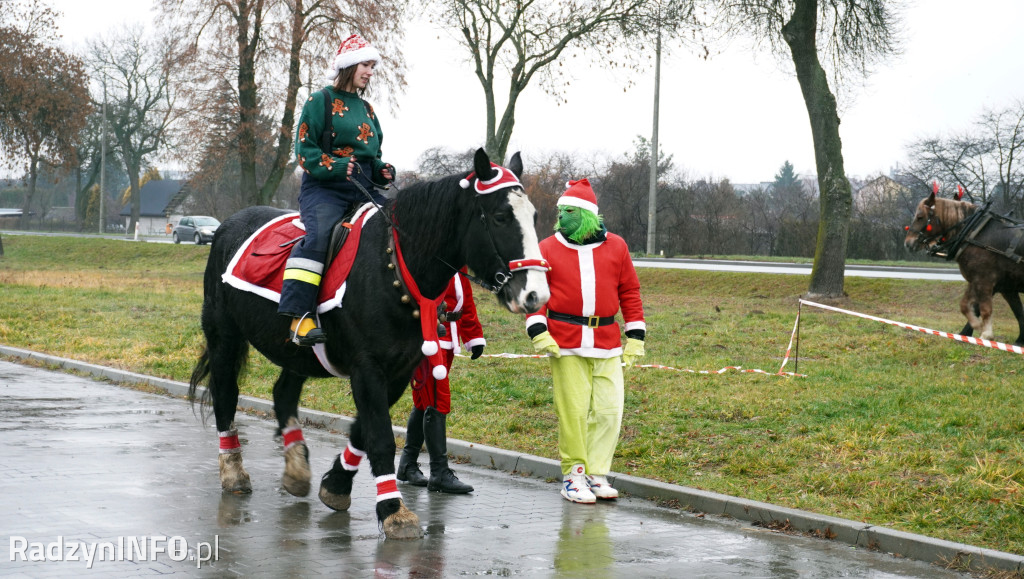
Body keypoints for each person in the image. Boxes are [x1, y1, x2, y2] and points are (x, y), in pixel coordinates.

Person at [526, 178, 646, 504]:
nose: (559, 217)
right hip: (565, 342)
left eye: (567, 211)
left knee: (609, 411)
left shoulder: (617, 247)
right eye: (559, 211)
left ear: (586, 214)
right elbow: (536, 294)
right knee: (575, 412)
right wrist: (539, 331)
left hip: (607, 340)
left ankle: (596, 471)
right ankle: (574, 474)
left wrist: (635, 336)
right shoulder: (547, 247)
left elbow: (629, 292)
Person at [280, 33, 395, 345]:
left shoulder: (368, 109)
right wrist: (334, 165)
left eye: (373, 66)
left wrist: (382, 171)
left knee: (396, 229)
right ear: (349, 66)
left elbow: (375, 154)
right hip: (324, 189)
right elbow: (304, 151)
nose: (371, 72)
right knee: (319, 237)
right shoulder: (320, 101)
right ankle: (299, 315)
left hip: (364, 188)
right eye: (366, 65)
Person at [397, 270, 485, 494]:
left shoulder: (458, 261)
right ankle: (439, 473)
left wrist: (473, 336)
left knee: (424, 401)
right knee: (437, 401)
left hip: (448, 336)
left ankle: (407, 464)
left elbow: (466, 299)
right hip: (429, 337)